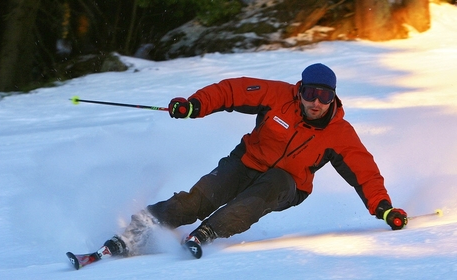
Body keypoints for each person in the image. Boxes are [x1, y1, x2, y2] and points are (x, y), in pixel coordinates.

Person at [102, 63, 408, 259]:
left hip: (287, 184)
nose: (316, 102)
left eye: (325, 96)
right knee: (200, 198)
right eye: (311, 93)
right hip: (247, 162)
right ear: (299, 90)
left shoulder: (338, 133)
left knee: (263, 191)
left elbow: (364, 171)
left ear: (333, 99)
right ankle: (138, 229)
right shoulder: (276, 96)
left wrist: (384, 208)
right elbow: (231, 91)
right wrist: (195, 104)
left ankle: (208, 232)